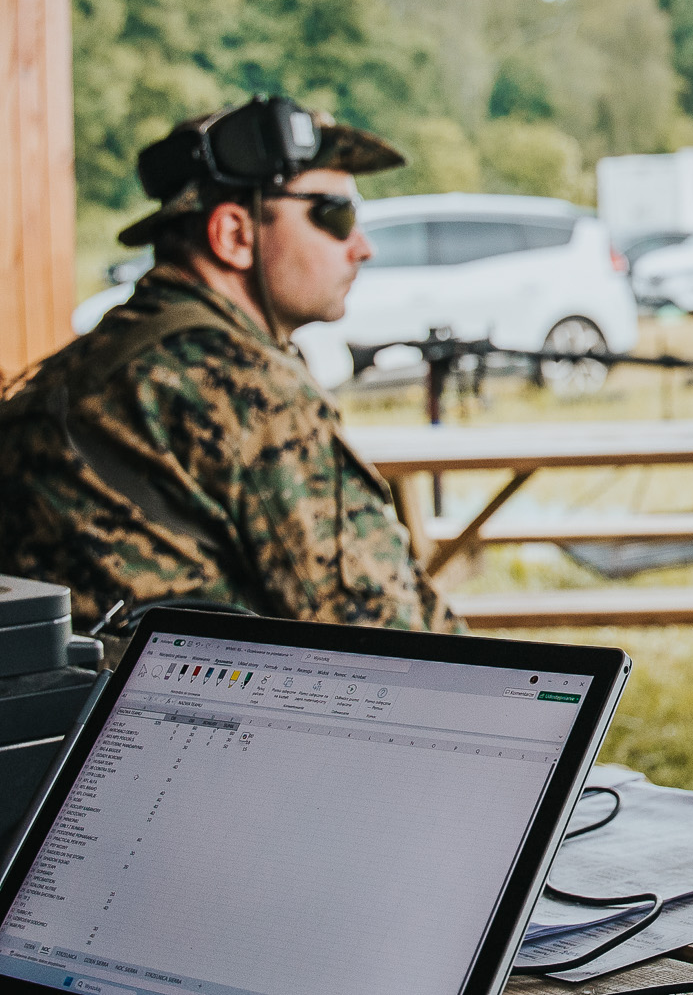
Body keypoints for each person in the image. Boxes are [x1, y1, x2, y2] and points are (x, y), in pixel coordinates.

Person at [0, 95, 459, 639]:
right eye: (335, 216)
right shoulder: (245, 387)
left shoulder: (87, 364)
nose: (362, 247)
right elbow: (387, 636)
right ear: (234, 235)